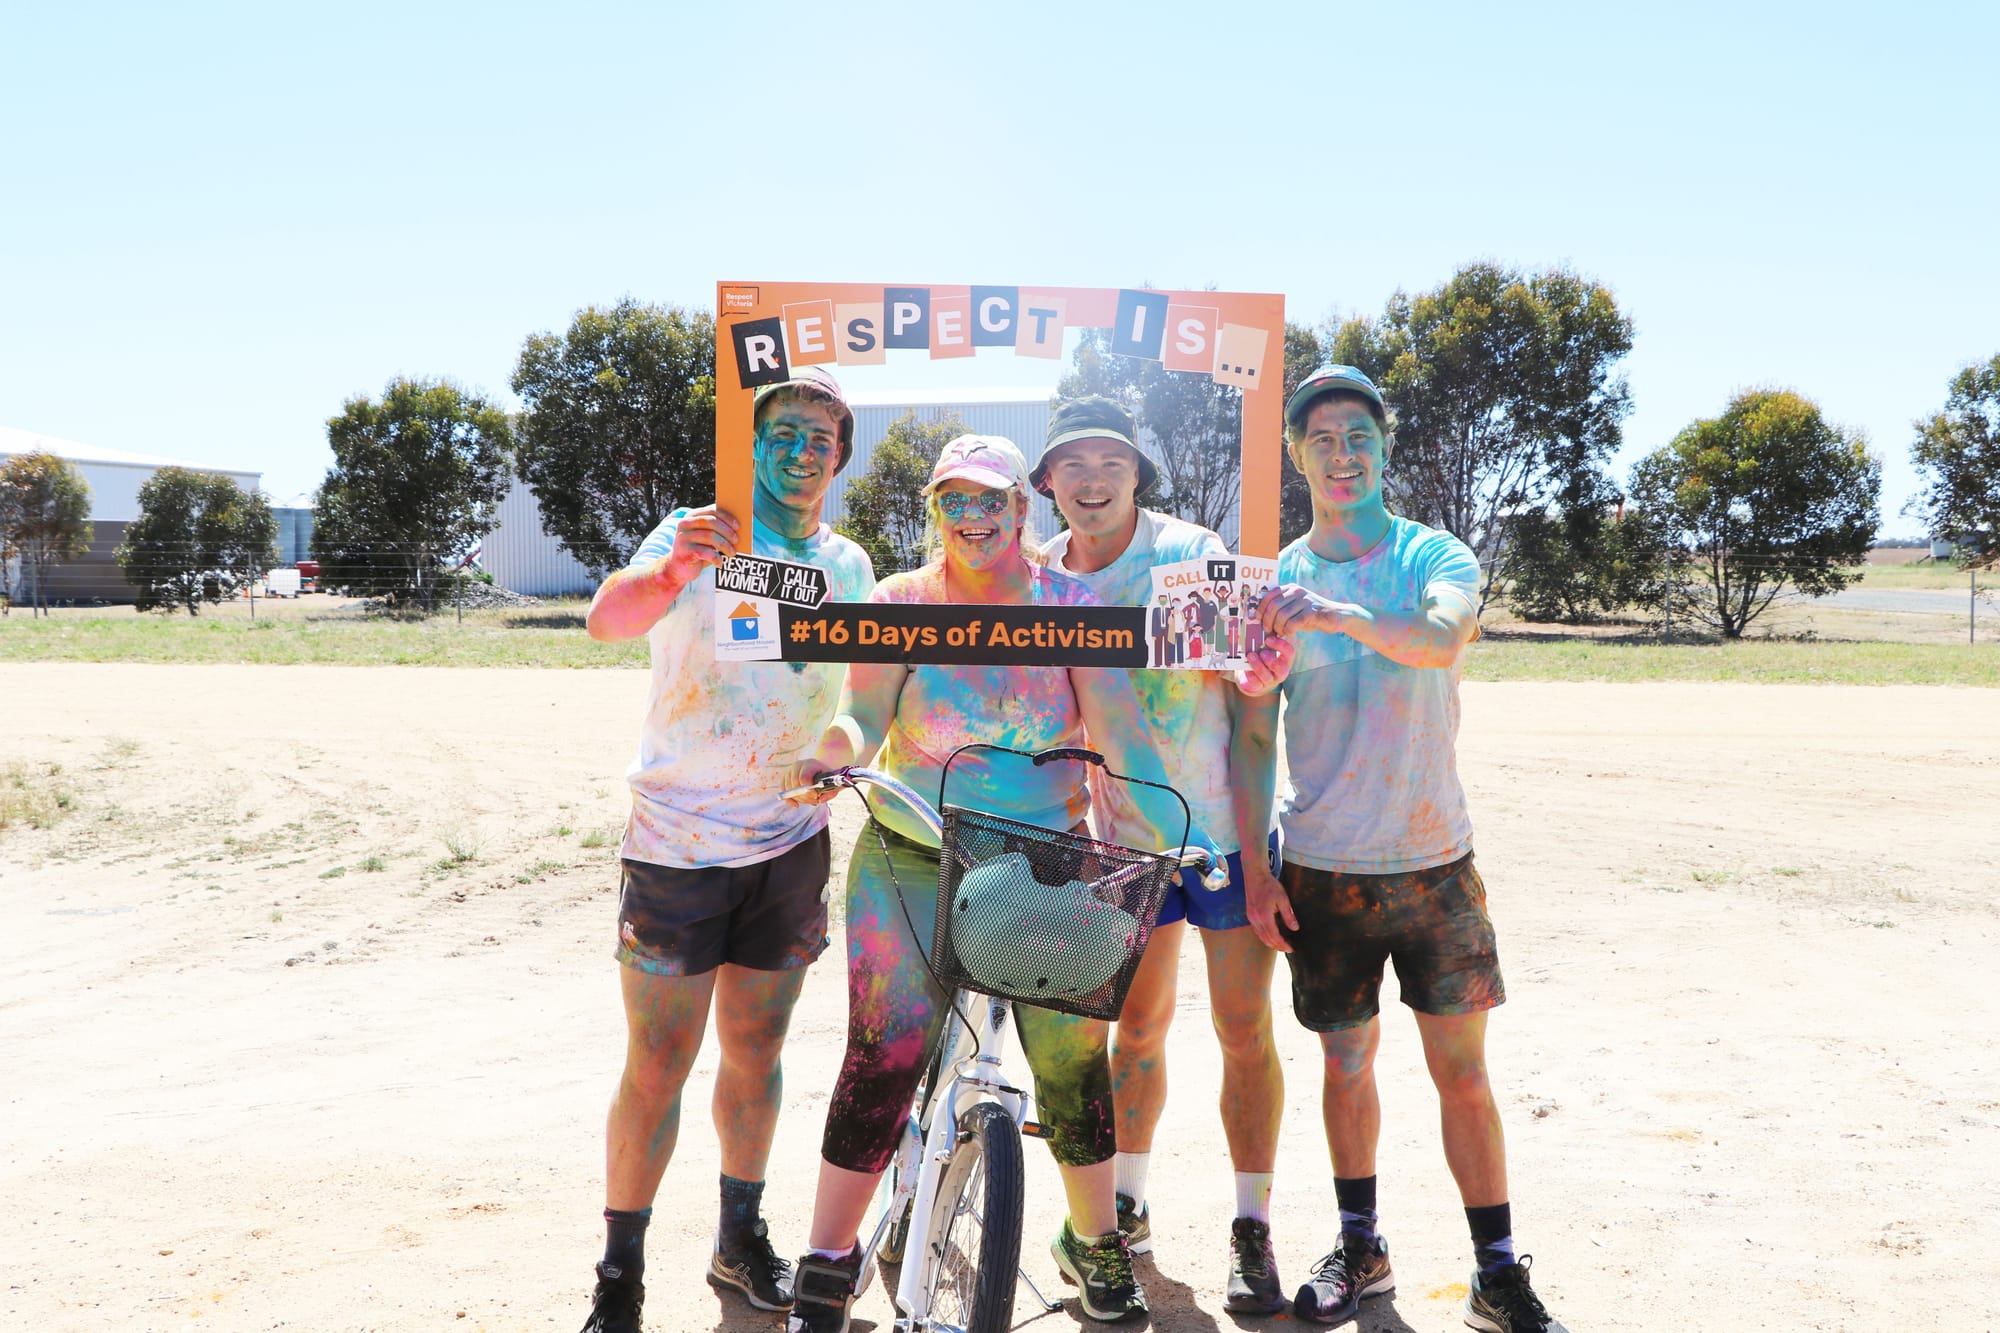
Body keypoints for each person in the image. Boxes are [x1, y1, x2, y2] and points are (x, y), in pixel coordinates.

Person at [782, 434, 1213, 1331]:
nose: (973, 517)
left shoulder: (1073, 605)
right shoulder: (900, 600)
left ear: (1024, 507)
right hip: (912, 852)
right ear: (933, 509)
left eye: (992, 499)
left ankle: (1096, 1247)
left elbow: (1126, 744)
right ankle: (827, 1256)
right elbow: (863, 713)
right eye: (954, 499)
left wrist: (1189, 834)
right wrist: (834, 755)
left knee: (1068, 1061)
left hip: (1040, 862)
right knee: (887, 1048)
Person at [1235, 365, 1556, 1331]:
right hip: (1324, 870)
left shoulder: (1433, 555)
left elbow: (1443, 638)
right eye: (1322, 438)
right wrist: (1256, 866)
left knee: (1463, 1073)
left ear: (1384, 448)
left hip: (1434, 863)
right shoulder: (1270, 581)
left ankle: (1496, 1272)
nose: (1343, 453)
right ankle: (1361, 1246)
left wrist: (1340, 615)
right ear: (1297, 456)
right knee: (1344, 1067)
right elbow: (1253, 733)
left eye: (1359, 435)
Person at [575, 367, 875, 1333]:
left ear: (839, 457)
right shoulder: (698, 531)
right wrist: (670, 572)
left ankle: (739, 1239)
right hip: (677, 842)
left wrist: (844, 750)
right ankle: (619, 1275)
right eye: (782, 432)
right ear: (752, 445)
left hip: (788, 841)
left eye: (820, 438)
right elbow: (606, 619)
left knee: (757, 1051)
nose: (800, 452)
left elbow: (864, 690)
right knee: (658, 1060)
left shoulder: (850, 564)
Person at [1033, 395, 1298, 1314]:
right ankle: (1129, 1205)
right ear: (1048, 483)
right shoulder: (1045, 582)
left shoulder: (1192, 559)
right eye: (1074, 465)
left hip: (1224, 836)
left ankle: (1252, 1225)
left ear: (1138, 472)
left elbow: (1256, 704)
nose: (1094, 479)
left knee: (1241, 1028)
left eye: (1112, 461)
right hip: (1125, 846)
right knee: (1135, 1031)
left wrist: (1261, 860)